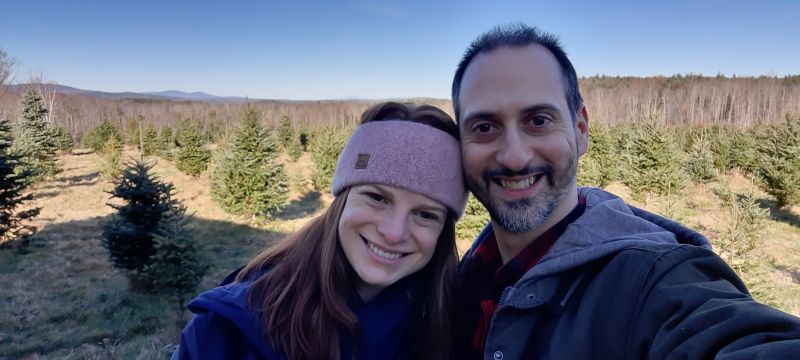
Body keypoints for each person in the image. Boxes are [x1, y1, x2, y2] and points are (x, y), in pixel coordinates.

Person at [451, 24, 800, 359]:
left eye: (538, 121)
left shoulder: (651, 282)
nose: (514, 157)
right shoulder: (459, 279)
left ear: (581, 129)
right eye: (484, 127)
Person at [173, 102, 467, 359]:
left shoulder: (455, 329)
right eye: (377, 197)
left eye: (425, 214)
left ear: (443, 231)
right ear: (342, 199)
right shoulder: (227, 333)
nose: (393, 232)